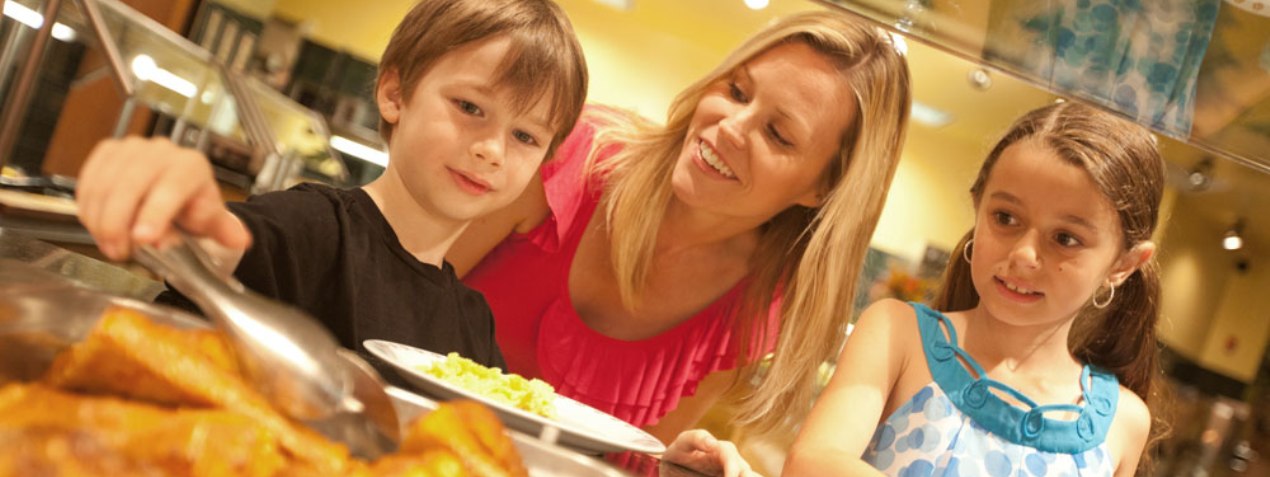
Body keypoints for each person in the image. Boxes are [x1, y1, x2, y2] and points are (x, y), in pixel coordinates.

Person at [449, 10, 911, 442]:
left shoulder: (758, 305)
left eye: (777, 135)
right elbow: (406, 297)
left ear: (823, 189)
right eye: (736, 91)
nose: (731, 126)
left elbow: (640, 455)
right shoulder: (573, 155)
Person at [73, 0, 588, 372]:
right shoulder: (312, 229)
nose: (492, 150)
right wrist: (168, 201)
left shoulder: (473, 325)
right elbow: (210, 245)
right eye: (470, 107)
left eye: (525, 136)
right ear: (394, 93)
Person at [669, 101, 1170, 476]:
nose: (1023, 254)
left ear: (1124, 264)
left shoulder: (1123, 421)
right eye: (1005, 218)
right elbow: (815, 461)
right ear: (978, 208)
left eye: (1066, 239)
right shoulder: (899, 332)